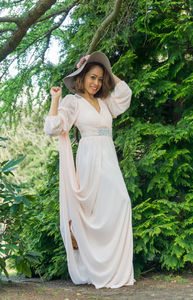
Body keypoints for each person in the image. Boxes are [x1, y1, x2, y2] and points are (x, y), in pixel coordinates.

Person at [44, 51, 135, 289]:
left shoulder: (105, 103)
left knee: (122, 204)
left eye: (99, 79)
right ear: (82, 77)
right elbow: (53, 128)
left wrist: (107, 70)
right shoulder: (73, 102)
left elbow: (125, 94)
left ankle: (115, 270)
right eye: (92, 77)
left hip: (109, 160)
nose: (95, 83)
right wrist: (55, 99)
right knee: (92, 214)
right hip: (89, 160)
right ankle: (94, 270)